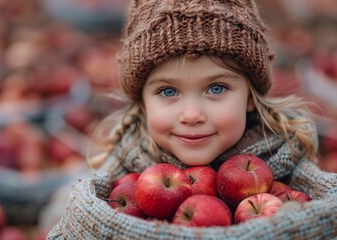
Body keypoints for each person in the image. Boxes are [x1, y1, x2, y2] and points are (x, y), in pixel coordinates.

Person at [47, 0, 337, 239]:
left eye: (216, 88)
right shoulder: (114, 182)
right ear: (143, 102)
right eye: (168, 91)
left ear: (250, 95)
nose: (192, 115)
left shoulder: (288, 170)